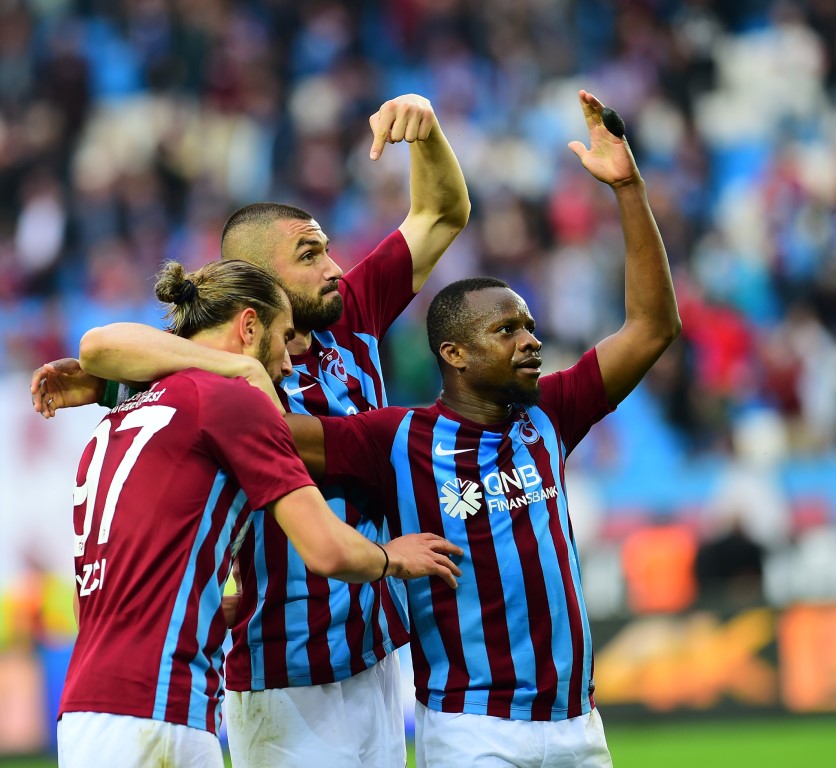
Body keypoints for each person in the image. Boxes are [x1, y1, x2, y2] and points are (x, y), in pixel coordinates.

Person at [32, 92, 470, 767]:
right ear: (256, 287)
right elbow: (101, 346)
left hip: (376, 652)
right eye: (310, 255)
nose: (334, 268)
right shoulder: (213, 368)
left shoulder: (348, 314)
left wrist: (426, 127)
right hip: (279, 668)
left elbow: (441, 213)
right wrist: (216, 376)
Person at [282, 90, 682, 767]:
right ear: (455, 354)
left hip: (580, 725)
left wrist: (628, 189)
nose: (531, 342)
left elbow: (652, 328)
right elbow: (268, 432)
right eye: (507, 331)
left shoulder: (552, 412)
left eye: (529, 326)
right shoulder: (396, 440)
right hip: (473, 730)